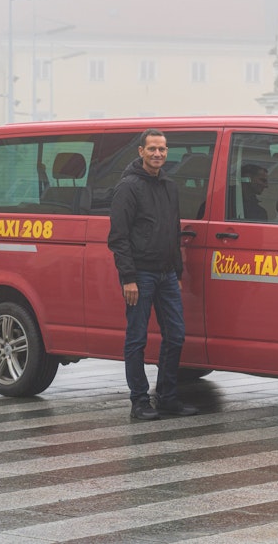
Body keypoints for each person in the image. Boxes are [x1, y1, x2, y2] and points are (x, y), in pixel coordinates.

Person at [108, 129, 198, 420]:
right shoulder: (128, 187)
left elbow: (173, 232)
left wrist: (177, 270)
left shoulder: (169, 187)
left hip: (167, 275)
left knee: (176, 335)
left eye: (162, 149)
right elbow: (118, 237)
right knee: (136, 339)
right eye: (152, 149)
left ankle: (167, 397)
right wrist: (128, 278)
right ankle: (139, 401)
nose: (157, 154)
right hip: (141, 276)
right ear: (141, 152)